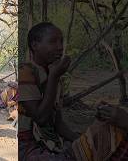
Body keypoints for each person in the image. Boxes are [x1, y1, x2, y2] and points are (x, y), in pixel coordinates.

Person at [19, 22, 128, 161]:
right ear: (35, 45)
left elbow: (58, 124)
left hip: (51, 142)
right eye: (53, 42)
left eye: (61, 42)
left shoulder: (53, 74)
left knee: (111, 130)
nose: (60, 47)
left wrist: (80, 139)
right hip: (27, 145)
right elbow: (41, 119)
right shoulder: (25, 73)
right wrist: (54, 77)